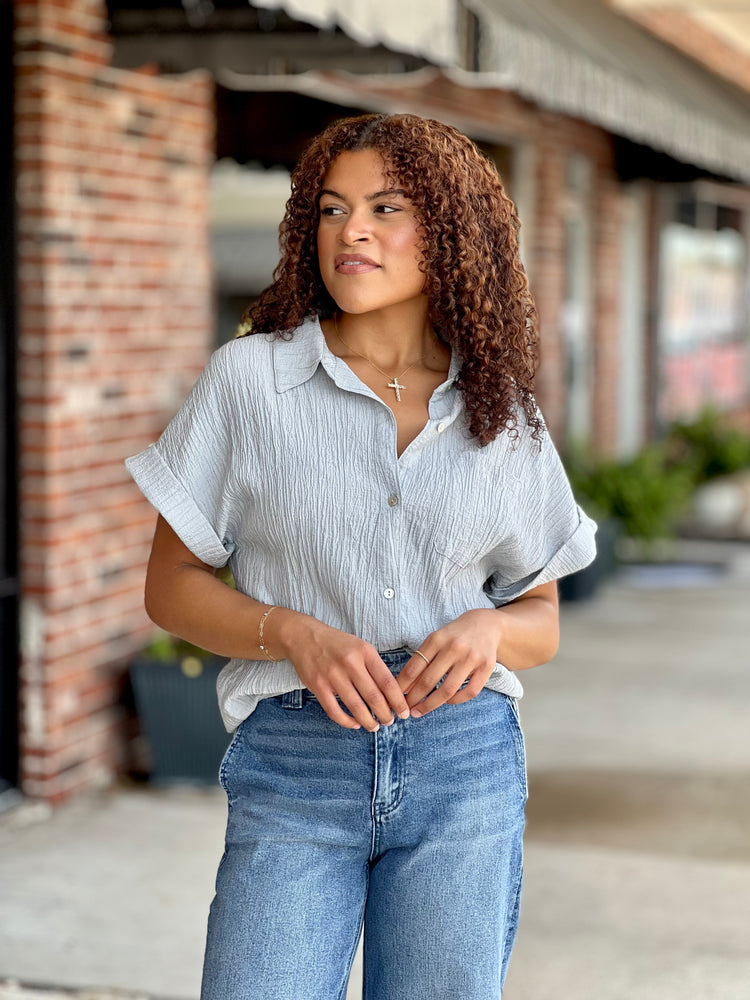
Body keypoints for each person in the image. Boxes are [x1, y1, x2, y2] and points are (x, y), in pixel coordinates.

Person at [126, 113, 596, 1000]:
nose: (353, 232)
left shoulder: (504, 414)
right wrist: (293, 634)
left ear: (454, 234)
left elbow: (541, 621)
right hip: (297, 756)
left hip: (463, 763)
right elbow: (170, 588)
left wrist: (488, 632)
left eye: (388, 208)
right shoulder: (249, 384)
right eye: (333, 209)